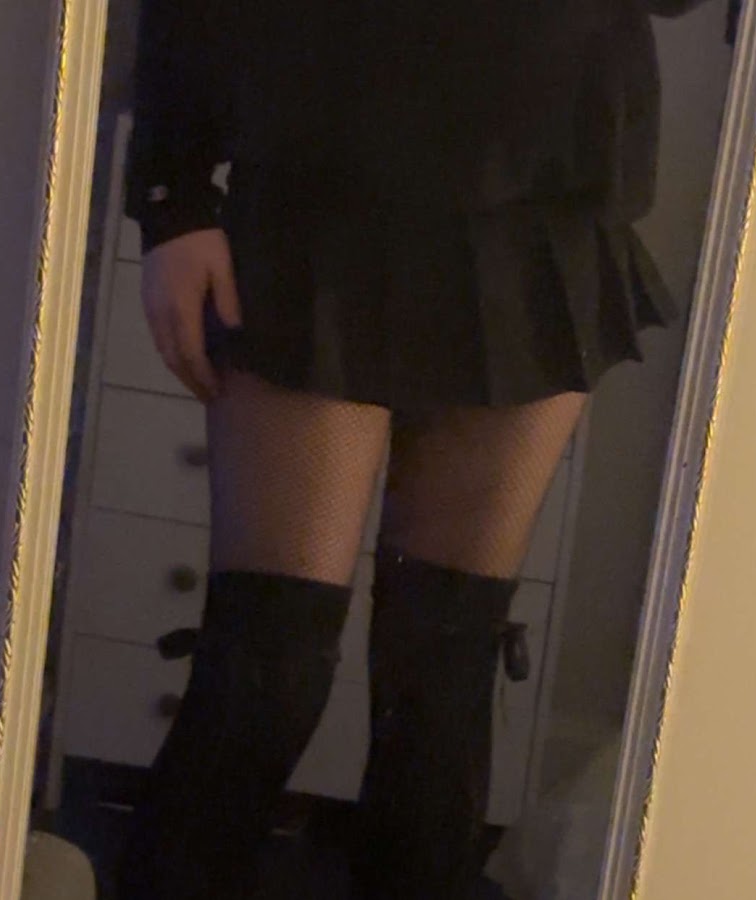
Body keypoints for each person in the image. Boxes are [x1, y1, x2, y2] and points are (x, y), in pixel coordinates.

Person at [115, 1, 714, 897]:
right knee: (268, 667)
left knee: (443, 679)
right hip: (322, 184)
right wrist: (175, 196)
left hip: (538, 204)